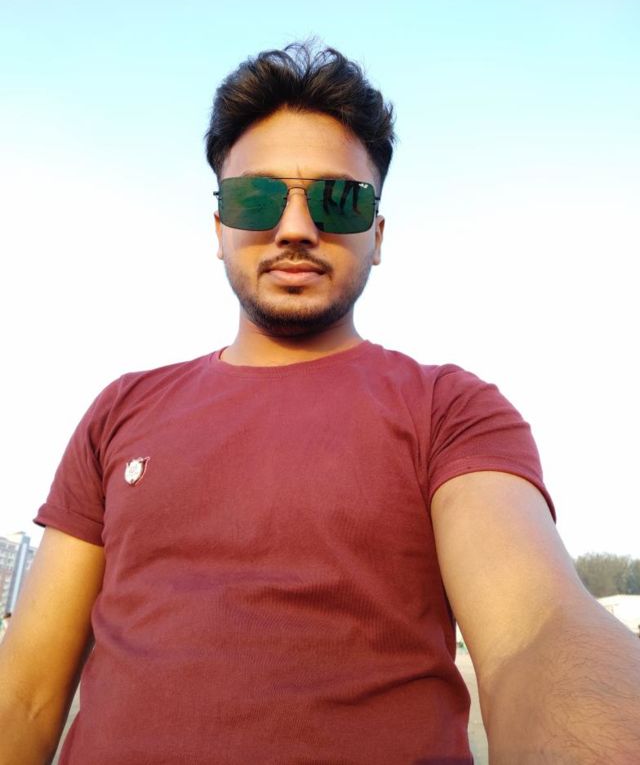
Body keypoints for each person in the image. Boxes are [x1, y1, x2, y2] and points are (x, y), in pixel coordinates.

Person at [1, 44, 639, 765]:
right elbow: (25, 693)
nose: (296, 229)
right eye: (256, 198)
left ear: (377, 235)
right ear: (220, 229)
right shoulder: (122, 408)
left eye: (339, 200)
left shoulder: (450, 409)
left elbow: (536, 633)